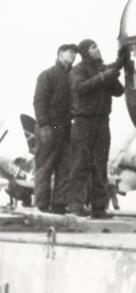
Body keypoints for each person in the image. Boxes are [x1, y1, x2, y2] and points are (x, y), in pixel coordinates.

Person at [66, 40, 124, 218]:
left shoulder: (102, 69)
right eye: (93, 47)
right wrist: (105, 76)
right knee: (80, 164)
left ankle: (99, 207)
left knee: (100, 165)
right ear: (85, 51)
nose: (98, 49)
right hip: (84, 122)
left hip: (102, 122)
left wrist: (115, 69)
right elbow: (80, 88)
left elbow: (119, 91)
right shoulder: (78, 70)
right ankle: (75, 206)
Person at [32, 43, 78, 213]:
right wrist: (43, 125)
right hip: (49, 127)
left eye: (75, 53)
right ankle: (42, 205)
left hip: (65, 128)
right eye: (70, 52)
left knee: (64, 166)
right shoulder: (47, 75)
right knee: (45, 166)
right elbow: (39, 101)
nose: (73, 55)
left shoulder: (73, 77)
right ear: (60, 54)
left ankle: (59, 204)